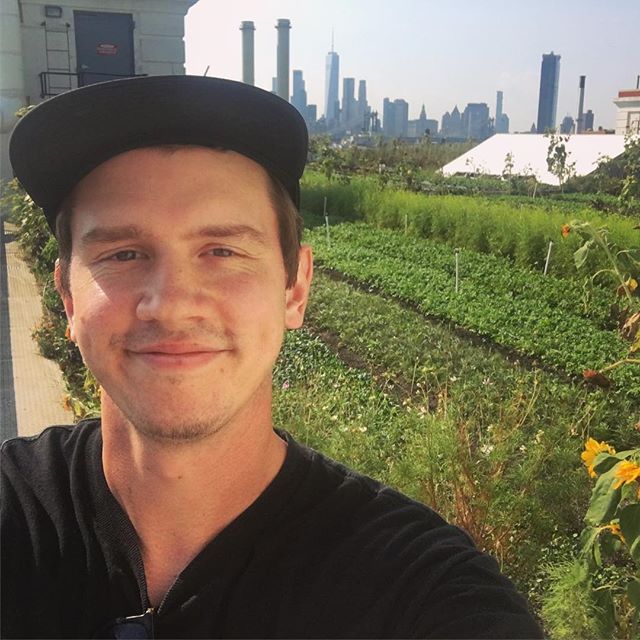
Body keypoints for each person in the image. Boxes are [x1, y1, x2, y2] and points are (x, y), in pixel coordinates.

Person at [1, 75, 543, 639]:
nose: (171, 305)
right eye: (123, 253)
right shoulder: (16, 516)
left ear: (295, 288)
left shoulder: (416, 591)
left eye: (222, 251)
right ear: (66, 295)